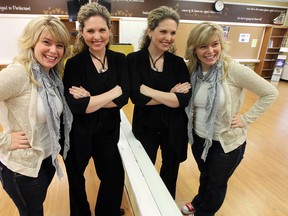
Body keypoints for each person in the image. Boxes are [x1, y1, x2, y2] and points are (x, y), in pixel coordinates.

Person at [181, 22, 279, 216]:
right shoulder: (192, 70)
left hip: (226, 142)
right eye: (203, 46)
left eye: (215, 44)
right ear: (194, 48)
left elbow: (270, 92)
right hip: (199, 138)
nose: (210, 51)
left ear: (221, 45)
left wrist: (246, 119)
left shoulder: (232, 69)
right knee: (205, 175)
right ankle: (199, 200)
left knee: (217, 183)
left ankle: (205, 212)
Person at [0, 16, 73, 216]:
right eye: (46, 42)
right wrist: (4, 140)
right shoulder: (19, 73)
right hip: (22, 170)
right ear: (32, 42)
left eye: (59, 45)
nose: (54, 51)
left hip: (47, 160)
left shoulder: (52, 75)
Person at [62, 2, 129, 216]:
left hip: (107, 132)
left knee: (114, 176)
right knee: (76, 177)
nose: (97, 36)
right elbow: (77, 107)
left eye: (102, 30)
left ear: (110, 30)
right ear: (82, 33)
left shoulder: (120, 60)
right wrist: (111, 93)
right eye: (90, 31)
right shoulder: (74, 64)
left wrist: (91, 98)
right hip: (78, 132)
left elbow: (124, 98)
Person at [127, 6, 192, 199]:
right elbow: (137, 98)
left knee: (170, 170)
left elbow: (183, 100)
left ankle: (166, 203)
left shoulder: (178, 63)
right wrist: (169, 95)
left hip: (174, 127)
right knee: (145, 169)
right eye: (163, 31)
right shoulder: (133, 60)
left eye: (173, 33)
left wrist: (149, 91)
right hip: (146, 126)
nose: (168, 37)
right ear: (150, 31)